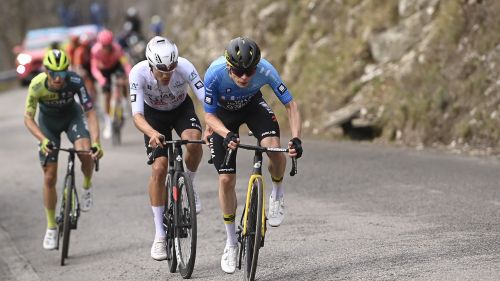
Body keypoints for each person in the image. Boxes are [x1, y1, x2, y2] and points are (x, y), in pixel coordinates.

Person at [203, 37, 303, 274]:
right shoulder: (214, 74)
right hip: (222, 117)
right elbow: (208, 116)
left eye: (250, 71)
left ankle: (277, 193)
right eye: (239, 71)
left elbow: (291, 106)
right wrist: (226, 134)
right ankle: (231, 243)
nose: (245, 77)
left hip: (252, 106)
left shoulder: (266, 70)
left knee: (274, 149)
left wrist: (297, 138)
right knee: (226, 179)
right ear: (229, 67)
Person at [129, 36, 205, 261]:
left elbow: (205, 99)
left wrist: (211, 124)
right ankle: (160, 235)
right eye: (162, 70)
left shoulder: (185, 67)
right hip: (153, 117)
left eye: (171, 68)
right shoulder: (138, 73)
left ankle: (188, 183)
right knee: (159, 168)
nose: (167, 74)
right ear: (151, 64)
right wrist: (151, 133)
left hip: (181, 109)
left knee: (193, 141)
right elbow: (137, 115)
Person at [23, 49, 104, 250]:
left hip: (72, 118)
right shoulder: (36, 85)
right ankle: (51, 226)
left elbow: (90, 112)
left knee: (85, 153)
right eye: (54, 74)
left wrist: (97, 142)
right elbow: (28, 118)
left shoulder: (75, 81)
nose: (59, 79)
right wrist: (42, 140)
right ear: (47, 72)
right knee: (49, 177)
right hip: (48, 126)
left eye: (63, 73)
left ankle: (86, 185)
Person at [91, 29, 131, 139]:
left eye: (108, 46)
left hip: (116, 66)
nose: (107, 48)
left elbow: (125, 63)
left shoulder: (117, 49)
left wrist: (129, 75)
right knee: (106, 94)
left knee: (122, 81)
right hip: (104, 70)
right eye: (104, 46)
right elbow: (94, 68)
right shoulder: (95, 51)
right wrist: (101, 79)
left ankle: (124, 102)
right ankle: (108, 122)